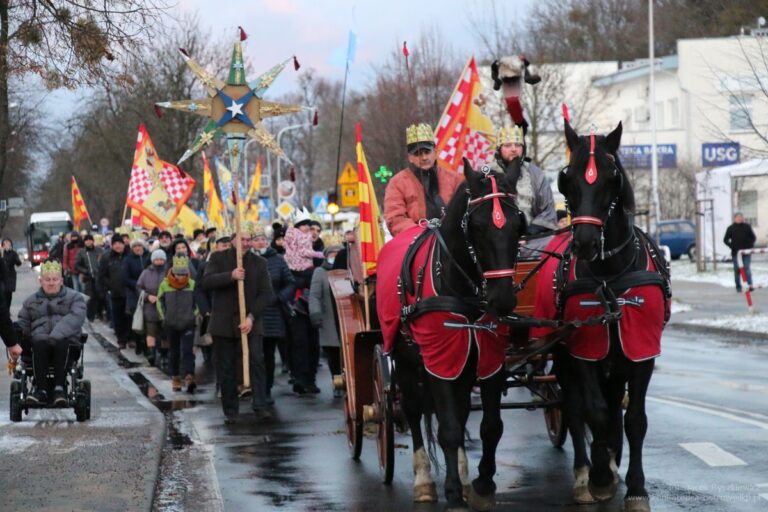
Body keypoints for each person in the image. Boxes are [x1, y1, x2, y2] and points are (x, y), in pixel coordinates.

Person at [202, 231, 274, 423]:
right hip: (223, 323)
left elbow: (266, 293)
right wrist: (230, 275)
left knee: (256, 362)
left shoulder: (259, 263)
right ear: (233, 241)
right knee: (226, 367)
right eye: (242, 239)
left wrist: (251, 317)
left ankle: (260, 405)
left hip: (250, 323)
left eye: (248, 239)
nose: (246, 243)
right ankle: (231, 410)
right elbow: (206, 281)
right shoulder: (218, 258)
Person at [17, 261, 86, 405]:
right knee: (39, 342)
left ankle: (59, 389)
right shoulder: (30, 301)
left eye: (55, 279)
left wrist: (56, 335)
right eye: (47, 279)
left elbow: (76, 318)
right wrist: (17, 334)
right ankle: (40, 390)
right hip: (38, 344)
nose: (51, 283)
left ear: (61, 280)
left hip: (66, 343)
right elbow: (24, 322)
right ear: (41, 281)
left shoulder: (75, 298)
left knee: (61, 342)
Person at [383, 123, 464, 237]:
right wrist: (421, 234)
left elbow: (467, 211)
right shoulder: (397, 183)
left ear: (435, 153)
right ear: (410, 158)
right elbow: (394, 218)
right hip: (415, 240)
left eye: (427, 152)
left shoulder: (455, 179)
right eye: (418, 153)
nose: (424, 157)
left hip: (454, 238)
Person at [251, 224, 295, 403]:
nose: (260, 242)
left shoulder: (278, 259)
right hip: (252, 314)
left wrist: (279, 298)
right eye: (256, 239)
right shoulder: (246, 260)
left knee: (268, 355)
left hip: (272, 313)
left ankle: (266, 390)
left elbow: (290, 283)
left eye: (263, 239)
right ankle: (255, 389)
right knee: (255, 355)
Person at [490, 125, 557, 234]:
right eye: (507, 145)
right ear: (499, 149)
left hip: (531, 238)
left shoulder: (536, 174)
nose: (513, 149)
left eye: (518, 145)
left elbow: (548, 211)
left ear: (523, 148)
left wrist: (529, 232)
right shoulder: (487, 174)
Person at [157, 255, 200, 393]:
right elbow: (159, 302)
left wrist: (193, 315)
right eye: (178, 274)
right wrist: (164, 317)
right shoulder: (164, 284)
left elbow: (197, 302)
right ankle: (175, 378)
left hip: (187, 323)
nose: (181, 277)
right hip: (171, 323)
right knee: (174, 352)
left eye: (183, 274)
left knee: (188, 351)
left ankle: (189, 376)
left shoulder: (192, 284)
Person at [309, 245, 344, 397]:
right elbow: (314, 296)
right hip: (329, 319)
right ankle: (337, 382)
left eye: (337, 254)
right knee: (333, 355)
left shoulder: (346, 270)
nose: (334, 257)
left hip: (346, 318)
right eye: (331, 254)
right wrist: (315, 314)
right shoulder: (320, 272)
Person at [99, 234, 130, 348]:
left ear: (123, 244)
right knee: (117, 316)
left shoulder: (129, 256)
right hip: (115, 292)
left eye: (120, 243)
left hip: (129, 291)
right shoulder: (107, 257)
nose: (118, 246)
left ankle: (129, 337)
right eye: (115, 244)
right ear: (112, 245)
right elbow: (102, 275)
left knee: (129, 316)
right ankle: (121, 339)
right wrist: (109, 285)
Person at [137, 250, 167, 364]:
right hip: (150, 307)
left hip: (165, 307)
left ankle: (165, 354)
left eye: (161, 259)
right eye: (157, 259)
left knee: (165, 333)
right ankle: (151, 353)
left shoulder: (168, 272)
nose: (159, 261)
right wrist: (147, 296)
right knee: (151, 332)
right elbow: (139, 287)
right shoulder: (146, 273)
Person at [122, 237, 150, 353]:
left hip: (148, 293)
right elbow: (125, 278)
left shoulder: (148, 257)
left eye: (139, 246)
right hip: (134, 293)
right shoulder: (128, 260)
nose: (138, 248)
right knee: (137, 319)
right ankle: (139, 343)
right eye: (135, 246)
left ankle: (148, 347)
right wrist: (138, 285)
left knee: (148, 321)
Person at [723, 212, 757, 293]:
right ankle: (738, 286)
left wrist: (749, 245)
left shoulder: (747, 227)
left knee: (746, 269)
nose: (739, 218)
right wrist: (732, 246)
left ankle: (749, 285)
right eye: (738, 217)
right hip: (736, 253)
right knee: (737, 270)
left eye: (741, 217)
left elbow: (753, 238)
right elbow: (725, 240)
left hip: (746, 252)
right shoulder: (730, 228)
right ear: (735, 218)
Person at [1, 238, 22, 307]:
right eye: (5, 243)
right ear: (3, 245)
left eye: (8, 243)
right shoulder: (1, 253)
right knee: (3, 294)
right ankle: (5, 310)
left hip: (10, 277)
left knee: (8, 295)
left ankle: (7, 309)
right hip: (2, 277)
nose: (7, 244)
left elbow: (19, 263)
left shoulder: (13, 253)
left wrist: (16, 258)